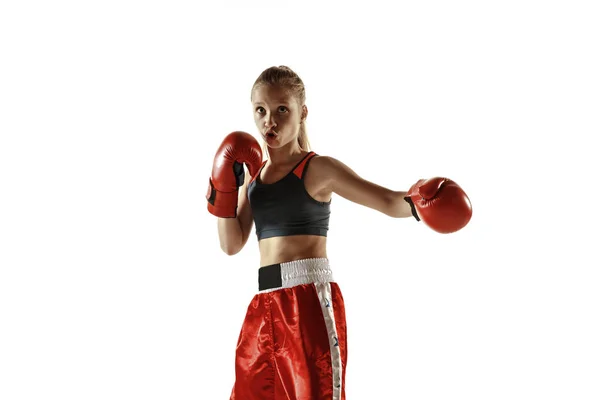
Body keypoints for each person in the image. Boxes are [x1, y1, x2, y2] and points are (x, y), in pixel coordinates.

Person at [206, 65, 472, 400]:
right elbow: (231, 244)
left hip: (307, 300)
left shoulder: (317, 168)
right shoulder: (254, 178)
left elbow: (389, 201)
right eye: (261, 110)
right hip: (263, 306)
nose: (268, 121)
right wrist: (223, 188)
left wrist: (420, 199)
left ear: (302, 112)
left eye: (281, 110)